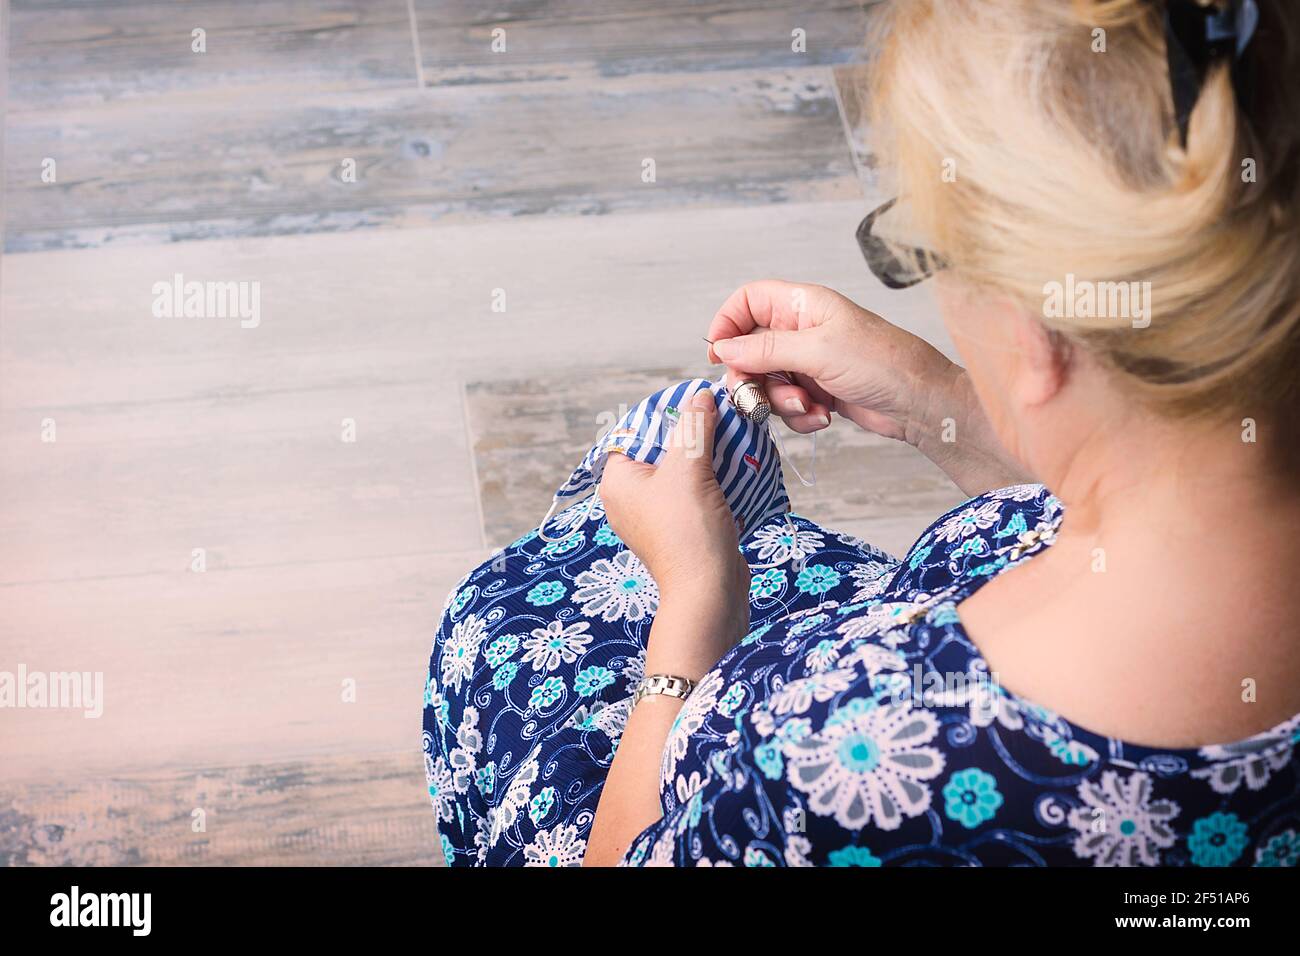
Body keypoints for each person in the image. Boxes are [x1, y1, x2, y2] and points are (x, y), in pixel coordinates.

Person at [424, 0, 1300, 867]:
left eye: (933, 248)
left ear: (1041, 337)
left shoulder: (846, 761)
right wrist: (936, 400)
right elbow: (1149, 471)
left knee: (507, 621)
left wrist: (698, 602)